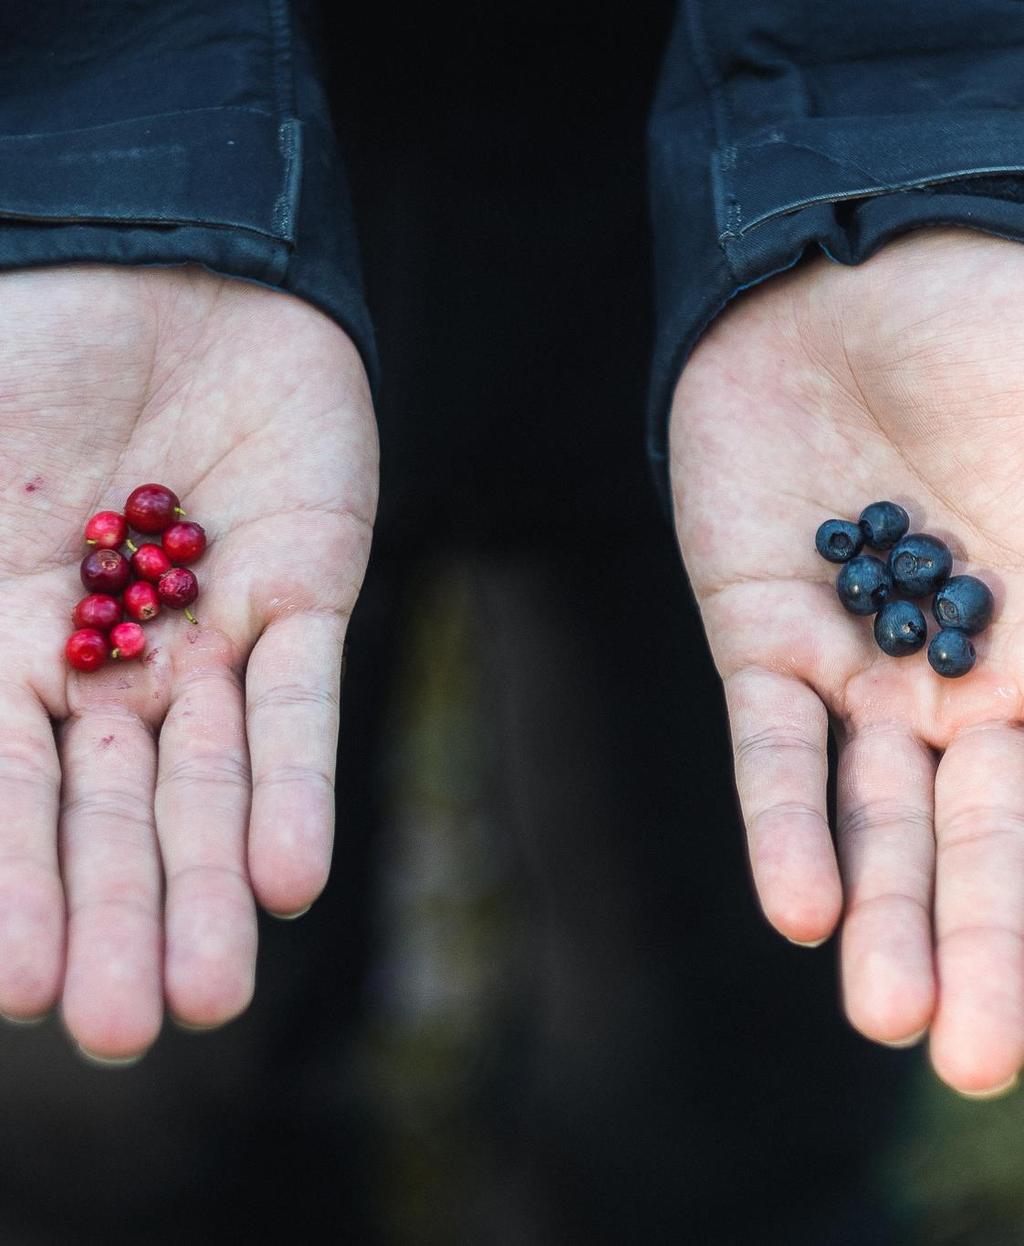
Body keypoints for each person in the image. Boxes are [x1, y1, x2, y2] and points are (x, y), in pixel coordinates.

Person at [0, 0, 1021, 1216]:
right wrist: (76, 175)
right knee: (151, 1049)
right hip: (210, 198)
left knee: (711, 1022)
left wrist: (916, 161)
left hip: (731, 236)